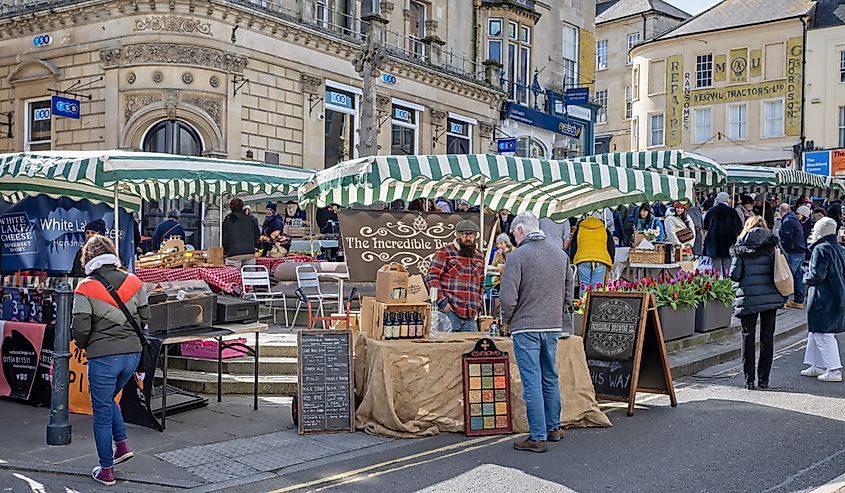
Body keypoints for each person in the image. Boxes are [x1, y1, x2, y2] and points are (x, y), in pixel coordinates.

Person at [71, 235, 150, 486]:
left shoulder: (85, 287)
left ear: (88, 259)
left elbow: (80, 329)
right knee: (109, 400)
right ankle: (122, 445)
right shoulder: (135, 281)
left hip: (104, 357)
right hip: (132, 355)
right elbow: (145, 316)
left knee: (102, 410)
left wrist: (85, 346)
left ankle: (106, 470)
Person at [499, 212, 574, 453]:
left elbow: (508, 297)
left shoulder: (517, 256)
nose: (513, 238)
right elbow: (569, 290)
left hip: (526, 325)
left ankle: (538, 436)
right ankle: (553, 428)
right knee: (549, 376)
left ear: (521, 230)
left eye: (513, 234)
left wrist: (506, 320)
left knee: (532, 381)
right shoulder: (560, 255)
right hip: (552, 325)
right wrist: (559, 311)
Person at [729, 216, 784, 390]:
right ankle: (764, 380)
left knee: (748, 336)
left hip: (748, 297)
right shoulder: (773, 244)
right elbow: (783, 266)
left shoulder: (741, 247)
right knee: (767, 338)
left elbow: (734, 275)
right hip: (770, 297)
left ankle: (749, 380)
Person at [800, 217, 845, 382]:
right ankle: (816, 365)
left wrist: (804, 277)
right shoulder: (840, 249)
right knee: (816, 332)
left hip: (822, 296)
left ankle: (833, 370)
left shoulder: (820, 249)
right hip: (837, 295)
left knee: (822, 333)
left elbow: (816, 275)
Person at [424, 219, 484, 332]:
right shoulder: (445, 252)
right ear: (457, 234)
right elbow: (431, 277)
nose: (468, 238)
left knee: (473, 348)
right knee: (447, 348)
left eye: (472, 234)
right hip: (450, 312)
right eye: (464, 234)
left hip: (470, 314)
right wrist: (442, 302)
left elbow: (482, 282)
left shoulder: (479, 255)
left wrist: (478, 303)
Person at [571, 212, 615, 290]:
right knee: (597, 287)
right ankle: (595, 302)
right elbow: (611, 247)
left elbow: (574, 246)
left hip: (582, 260)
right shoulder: (604, 230)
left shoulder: (579, 230)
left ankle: (583, 302)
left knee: (584, 286)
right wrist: (611, 260)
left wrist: (572, 259)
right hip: (601, 260)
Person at [701, 192, 742, 274]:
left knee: (716, 270)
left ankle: (717, 285)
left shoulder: (711, 211)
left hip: (714, 243)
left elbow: (705, 227)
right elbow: (739, 227)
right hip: (729, 243)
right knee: (728, 269)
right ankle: (727, 284)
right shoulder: (732, 212)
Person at [778, 203, 808, 309]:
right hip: (800, 251)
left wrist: (783, 250)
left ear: (781, 211)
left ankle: (783, 300)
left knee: (787, 276)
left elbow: (787, 237)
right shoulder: (793, 219)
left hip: (793, 251)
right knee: (797, 276)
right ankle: (799, 300)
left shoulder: (787, 220)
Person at [222, 198, 260, 269]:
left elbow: (225, 238)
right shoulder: (251, 219)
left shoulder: (228, 220)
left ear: (231, 207)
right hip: (249, 252)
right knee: (250, 279)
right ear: (242, 206)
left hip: (234, 253)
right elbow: (257, 236)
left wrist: (225, 249)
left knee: (233, 278)